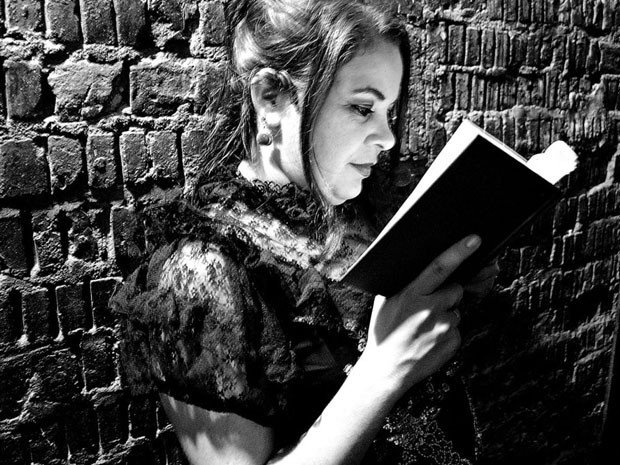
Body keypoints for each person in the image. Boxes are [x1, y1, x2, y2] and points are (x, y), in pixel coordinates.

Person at [110, 1, 500, 464]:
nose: (388, 138)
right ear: (271, 98)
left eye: (389, 111)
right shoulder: (198, 271)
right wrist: (384, 369)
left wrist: (450, 290)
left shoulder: (356, 209)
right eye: (362, 107)